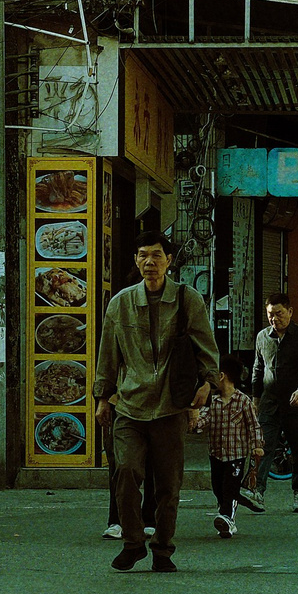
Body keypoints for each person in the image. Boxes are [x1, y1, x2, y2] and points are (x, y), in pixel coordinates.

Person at [94, 235, 221, 572]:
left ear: (169, 260)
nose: (149, 262)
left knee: (168, 484)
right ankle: (133, 543)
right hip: (130, 406)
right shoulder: (119, 303)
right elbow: (108, 353)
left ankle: (163, 550)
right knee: (126, 471)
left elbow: (206, 346)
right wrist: (102, 397)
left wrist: (208, 384)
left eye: (156, 256)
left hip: (170, 407)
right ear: (136, 261)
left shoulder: (187, 299)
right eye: (142, 256)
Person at [252, 293, 298, 513]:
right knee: (262, 447)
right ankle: (257, 491)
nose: (275, 319)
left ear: (290, 312)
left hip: (295, 403)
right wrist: (255, 398)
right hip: (269, 403)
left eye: (279, 314)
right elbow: (258, 369)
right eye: (270, 315)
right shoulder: (263, 337)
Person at [193, 352, 262, 538]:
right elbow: (205, 419)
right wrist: (194, 424)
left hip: (236, 455)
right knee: (218, 487)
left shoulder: (243, 401)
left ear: (221, 376)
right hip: (216, 454)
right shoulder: (212, 401)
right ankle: (224, 515)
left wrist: (257, 446)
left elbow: (253, 425)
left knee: (230, 488)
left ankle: (226, 517)